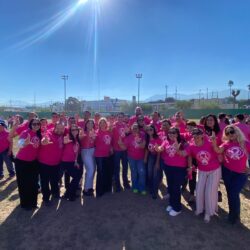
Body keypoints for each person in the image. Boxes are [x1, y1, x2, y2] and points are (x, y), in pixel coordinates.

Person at [212, 125, 250, 224]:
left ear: (237, 131)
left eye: (232, 131)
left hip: (241, 174)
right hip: (227, 171)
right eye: (227, 133)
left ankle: (234, 216)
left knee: (233, 193)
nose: (230, 134)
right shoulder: (226, 144)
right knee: (230, 194)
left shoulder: (245, 143)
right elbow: (218, 150)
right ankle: (232, 215)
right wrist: (214, 143)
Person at [185, 128, 221, 223]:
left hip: (214, 170)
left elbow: (218, 152)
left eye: (198, 136)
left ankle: (208, 213)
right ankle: (200, 209)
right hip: (202, 170)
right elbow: (187, 154)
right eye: (194, 136)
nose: (196, 138)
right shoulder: (192, 145)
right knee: (199, 190)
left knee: (209, 192)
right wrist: (189, 166)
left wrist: (214, 144)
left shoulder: (209, 142)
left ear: (202, 135)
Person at [158, 127, 188, 216]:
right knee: (170, 187)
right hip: (168, 167)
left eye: (174, 133)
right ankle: (172, 204)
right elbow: (161, 147)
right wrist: (158, 148)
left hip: (179, 168)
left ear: (177, 134)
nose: (171, 134)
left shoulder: (183, 143)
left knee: (176, 188)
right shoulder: (166, 141)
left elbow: (186, 154)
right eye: (170, 133)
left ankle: (177, 208)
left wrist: (178, 149)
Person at [15, 118, 42, 210]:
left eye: (38, 124)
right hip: (21, 162)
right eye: (34, 124)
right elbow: (19, 144)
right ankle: (25, 204)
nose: (36, 125)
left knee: (34, 183)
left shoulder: (39, 134)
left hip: (33, 162)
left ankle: (33, 203)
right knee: (23, 184)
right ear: (30, 124)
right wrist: (24, 144)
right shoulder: (25, 132)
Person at [38, 123, 64, 205]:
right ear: (54, 127)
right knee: (45, 181)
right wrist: (44, 141)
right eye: (58, 128)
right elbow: (44, 140)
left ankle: (55, 193)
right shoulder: (48, 133)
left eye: (61, 129)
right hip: (45, 163)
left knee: (54, 180)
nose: (60, 130)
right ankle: (46, 198)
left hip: (56, 163)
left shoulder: (62, 135)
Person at [119, 123, 146, 195]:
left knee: (141, 173)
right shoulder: (128, 138)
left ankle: (142, 188)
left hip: (140, 158)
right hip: (131, 158)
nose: (135, 130)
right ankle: (135, 187)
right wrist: (120, 144)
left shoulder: (142, 135)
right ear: (131, 129)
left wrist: (138, 142)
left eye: (136, 128)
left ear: (138, 129)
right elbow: (124, 148)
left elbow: (143, 146)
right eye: (133, 128)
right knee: (134, 173)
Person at [61, 124, 82, 201]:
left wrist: (76, 161)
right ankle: (70, 194)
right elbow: (64, 143)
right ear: (70, 131)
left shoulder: (77, 139)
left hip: (72, 161)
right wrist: (65, 142)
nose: (74, 131)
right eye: (72, 130)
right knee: (76, 176)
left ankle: (69, 193)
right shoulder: (68, 138)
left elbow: (76, 152)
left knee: (78, 175)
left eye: (76, 129)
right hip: (66, 162)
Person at [94, 118, 113, 197]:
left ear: (106, 124)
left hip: (107, 155)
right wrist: (93, 137)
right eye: (101, 123)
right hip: (99, 155)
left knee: (107, 172)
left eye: (104, 122)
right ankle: (99, 190)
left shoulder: (109, 132)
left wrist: (111, 148)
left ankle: (107, 188)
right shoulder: (96, 132)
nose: (102, 124)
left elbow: (110, 142)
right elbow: (93, 140)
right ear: (99, 124)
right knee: (100, 172)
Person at [112, 112, 130, 192]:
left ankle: (125, 182)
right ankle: (117, 184)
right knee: (116, 168)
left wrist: (127, 132)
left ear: (123, 118)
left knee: (125, 167)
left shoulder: (126, 126)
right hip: (116, 150)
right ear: (117, 117)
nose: (120, 118)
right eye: (119, 117)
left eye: (121, 117)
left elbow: (127, 136)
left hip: (124, 149)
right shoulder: (113, 126)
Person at [144, 124, 162, 199]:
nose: (149, 131)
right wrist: (145, 158)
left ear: (154, 130)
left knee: (155, 175)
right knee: (149, 173)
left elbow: (159, 152)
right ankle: (151, 188)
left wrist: (157, 162)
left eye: (151, 129)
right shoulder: (147, 138)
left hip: (157, 157)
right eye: (148, 130)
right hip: (150, 157)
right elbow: (147, 149)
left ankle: (155, 191)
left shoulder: (157, 138)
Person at [80, 119, 96, 196]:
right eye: (88, 123)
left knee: (91, 170)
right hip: (85, 151)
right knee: (91, 169)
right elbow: (79, 139)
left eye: (92, 123)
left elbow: (95, 141)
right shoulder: (83, 131)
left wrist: (94, 137)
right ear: (86, 125)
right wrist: (81, 136)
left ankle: (90, 187)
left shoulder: (94, 132)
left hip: (93, 150)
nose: (90, 124)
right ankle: (86, 189)